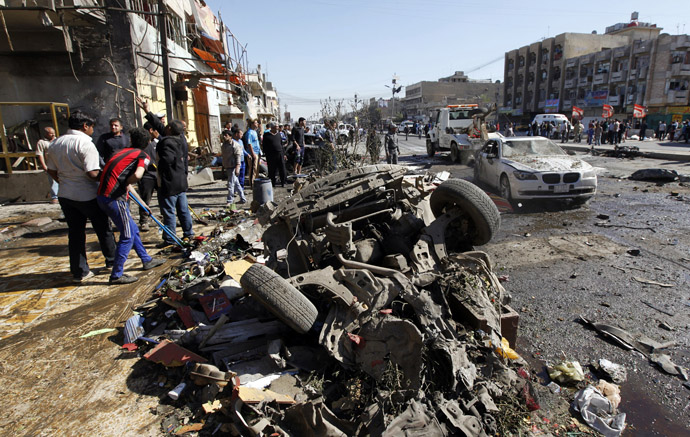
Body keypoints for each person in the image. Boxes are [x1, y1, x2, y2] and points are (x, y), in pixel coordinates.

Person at [44, 111, 116, 283]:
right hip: (87, 194)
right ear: (85, 126)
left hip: (66, 195)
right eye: (91, 127)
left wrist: (65, 181)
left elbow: (52, 170)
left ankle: (79, 271)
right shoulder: (85, 143)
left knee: (75, 233)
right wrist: (108, 179)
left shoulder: (55, 144)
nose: (92, 130)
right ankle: (112, 261)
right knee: (103, 228)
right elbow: (92, 173)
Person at [97, 127, 164, 284]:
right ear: (147, 142)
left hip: (103, 197)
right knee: (127, 235)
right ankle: (116, 275)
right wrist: (129, 182)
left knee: (132, 229)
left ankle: (146, 259)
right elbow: (136, 176)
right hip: (114, 198)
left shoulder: (119, 153)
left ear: (131, 140)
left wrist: (142, 203)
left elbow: (124, 181)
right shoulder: (142, 156)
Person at [156, 120, 194, 246]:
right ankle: (189, 233)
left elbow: (167, 160)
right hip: (181, 181)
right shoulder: (181, 140)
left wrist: (158, 167)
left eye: (167, 127)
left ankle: (170, 238)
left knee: (169, 212)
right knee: (183, 210)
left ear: (170, 129)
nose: (164, 128)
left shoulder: (166, 142)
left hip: (169, 182)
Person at [137, 122, 159, 231]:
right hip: (146, 176)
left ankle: (168, 218)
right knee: (145, 199)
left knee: (164, 198)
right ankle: (144, 221)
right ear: (151, 130)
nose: (157, 132)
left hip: (158, 175)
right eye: (156, 130)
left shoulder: (157, 143)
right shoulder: (142, 145)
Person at [222, 127, 246, 204]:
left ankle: (230, 200)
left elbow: (238, 156)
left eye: (226, 135)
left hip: (233, 166)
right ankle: (243, 198)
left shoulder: (235, 145)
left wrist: (237, 167)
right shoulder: (224, 145)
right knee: (236, 184)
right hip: (228, 166)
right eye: (224, 135)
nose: (224, 137)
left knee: (230, 185)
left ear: (230, 136)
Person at [36, 126, 59, 204]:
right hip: (50, 165)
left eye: (54, 133)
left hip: (60, 164)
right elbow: (40, 154)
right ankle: (55, 197)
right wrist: (44, 165)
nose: (53, 135)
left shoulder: (57, 140)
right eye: (51, 133)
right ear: (46, 134)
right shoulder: (41, 142)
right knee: (53, 181)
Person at [262, 122, 286, 187]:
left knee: (282, 169)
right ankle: (273, 183)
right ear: (272, 128)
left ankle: (283, 182)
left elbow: (281, 144)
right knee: (272, 170)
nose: (277, 128)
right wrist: (266, 154)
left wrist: (284, 154)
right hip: (271, 155)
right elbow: (264, 146)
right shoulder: (266, 135)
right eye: (276, 127)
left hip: (280, 153)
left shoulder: (278, 134)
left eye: (278, 127)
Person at [245, 119, 261, 188]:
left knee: (256, 169)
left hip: (257, 152)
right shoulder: (249, 133)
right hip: (252, 154)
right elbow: (249, 144)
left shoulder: (255, 132)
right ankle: (252, 184)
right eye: (255, 123)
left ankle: (256, 182)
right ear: (252, 124)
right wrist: (253, 154)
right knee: (252, 169)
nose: (257, 124)